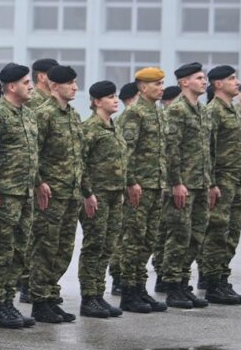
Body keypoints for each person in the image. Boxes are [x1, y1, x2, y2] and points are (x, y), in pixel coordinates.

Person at [0, 63, 40, 330]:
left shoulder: (28, 115)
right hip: (4, 194)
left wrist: (37, 184)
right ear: (12, 86)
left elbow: (32, 154)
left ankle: (7, 300)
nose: (31, 86)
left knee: (19, 250)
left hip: (25, 193)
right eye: (26, 82)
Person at [28, 65, 87, 323]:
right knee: (45, 248)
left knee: (63, 249)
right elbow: (33, 153)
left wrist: (84, 190)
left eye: (75, 82)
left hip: (71, 194)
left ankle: (52, 296)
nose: (75, 87)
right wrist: (39, 183)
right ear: (54, 86)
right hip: (50, 195)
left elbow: (79, 158)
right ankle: (39, 301)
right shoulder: (44, 115)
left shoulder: (73, 116)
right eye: (69, 83)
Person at [160, 62, 217, 310]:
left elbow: (208, 150)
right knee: (179, 235)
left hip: (201, 183)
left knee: (196, 236)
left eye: (204, 78)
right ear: (185, 82)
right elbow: (170, 150)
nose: (204, 82)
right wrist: (176, 183)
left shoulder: (202, 111)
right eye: (199, 78)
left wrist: (211, 183)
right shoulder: (177, 110)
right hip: (183, 185)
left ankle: (184, 283)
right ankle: (172, 286)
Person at [115, 67, 169, 315]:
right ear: (143, 87)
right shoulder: (134, 113)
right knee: (133, 239)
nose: (161, 88)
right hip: (139, 187)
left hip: (155, 185)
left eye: (162, 83)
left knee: (148, 240)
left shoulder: (157, 112)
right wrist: (131, 182)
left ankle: (139, 287)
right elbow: (125, 152)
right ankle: (128, 291)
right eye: (157, 84)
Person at [199, 65, 241, 304]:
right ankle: (212, 283)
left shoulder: (233, 110)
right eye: (231, 78)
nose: (236, 82)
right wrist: (211, 183)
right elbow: (207, 149)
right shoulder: (213, 111)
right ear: (218, 84)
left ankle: (222, 278)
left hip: (235, 180)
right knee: (217, 232)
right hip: (220, 180)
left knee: (231, 233)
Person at [77, 81, 127, 318]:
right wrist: (87, 193)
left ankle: (98, 294)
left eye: (115, 96)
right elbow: (81, 163)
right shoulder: (90, 129)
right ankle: (88, 298)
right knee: (94, 245)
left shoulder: (113, 127)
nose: (115, 100)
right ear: (97, 102)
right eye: (110, 97)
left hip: (115, 194)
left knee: (108, 245)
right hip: (96, 195)